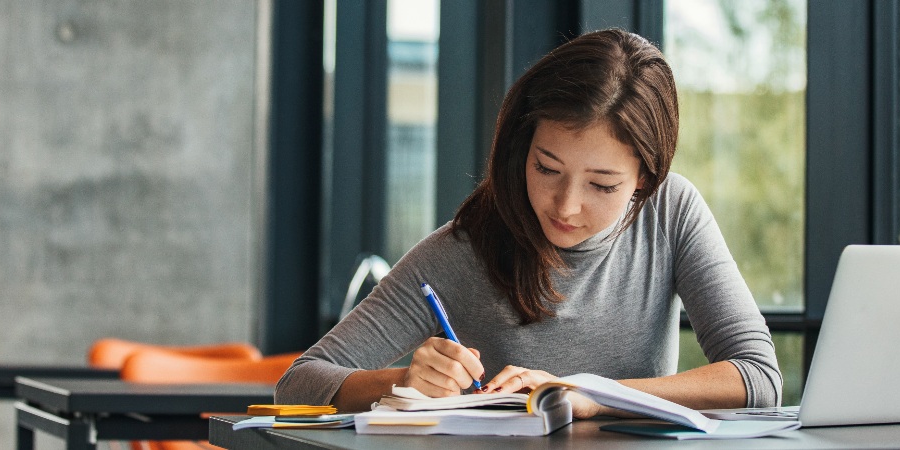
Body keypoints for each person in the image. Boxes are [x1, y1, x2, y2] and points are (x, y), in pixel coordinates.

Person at [275, 29, 781, 418]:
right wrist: (403, 380)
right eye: (546, 169)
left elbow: (757, 376)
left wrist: (589, 393)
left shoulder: (671, 212)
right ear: (521, 148)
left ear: (645, 180)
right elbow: (298, 383)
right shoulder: (465, 248)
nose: (565, 206)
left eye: (602, 186)